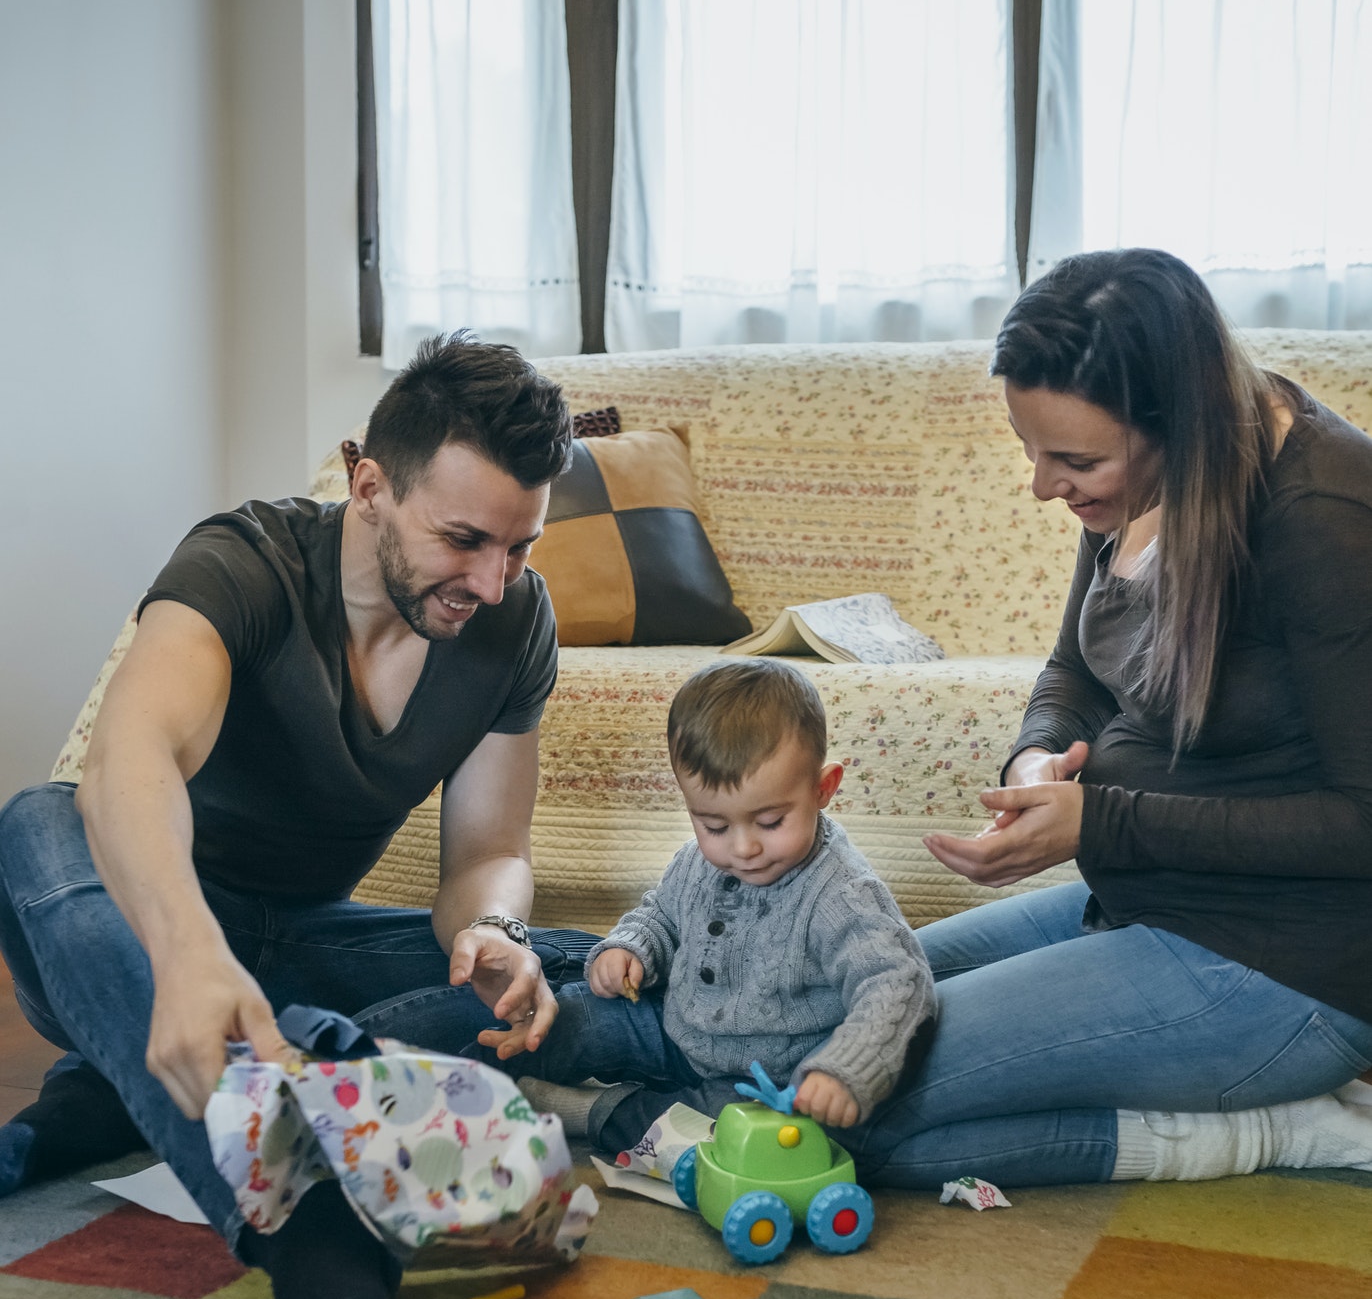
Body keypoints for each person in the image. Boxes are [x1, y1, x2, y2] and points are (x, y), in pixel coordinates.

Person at [0, 333, 598, 1299]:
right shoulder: (246, 561)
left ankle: (112, 1092)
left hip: (299, 943)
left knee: (582, 966)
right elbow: (127, 750)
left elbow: (487, 855)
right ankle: (316, 1236)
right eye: (464, 539)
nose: (492, 579)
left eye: (519, 545)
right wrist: (185, 949)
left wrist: (496, 933)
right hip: (143, 923)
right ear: (368, 483)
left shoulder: (515, 622)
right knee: (34, 822)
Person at [829, 247, 1372, 1192]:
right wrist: (1039, 753)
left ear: (1179, 423)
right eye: (1030, 451)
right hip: (1135, 899)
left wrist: (1102, 820)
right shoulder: (1143, 486)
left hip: (1285, 967)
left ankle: (1272, 1129)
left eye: (1073, 461)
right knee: (834, 1019)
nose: (1045, 487)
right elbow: (1076, 665)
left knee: (850, 1108)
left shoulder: (1324, 515)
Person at [488, 659, 937, 1153]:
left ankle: (591, 1111)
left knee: (698, 1137)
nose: (742, 849)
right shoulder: (696, 864)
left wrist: (846, 1069)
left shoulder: (840, 893)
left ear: (822, 788)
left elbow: (899, 981)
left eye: (770, 822)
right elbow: (661, 914)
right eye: (714, 827)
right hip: (674, 1029)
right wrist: (630, 949)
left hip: (764, 1084)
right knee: (572, 1012)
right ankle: (471, 1086)